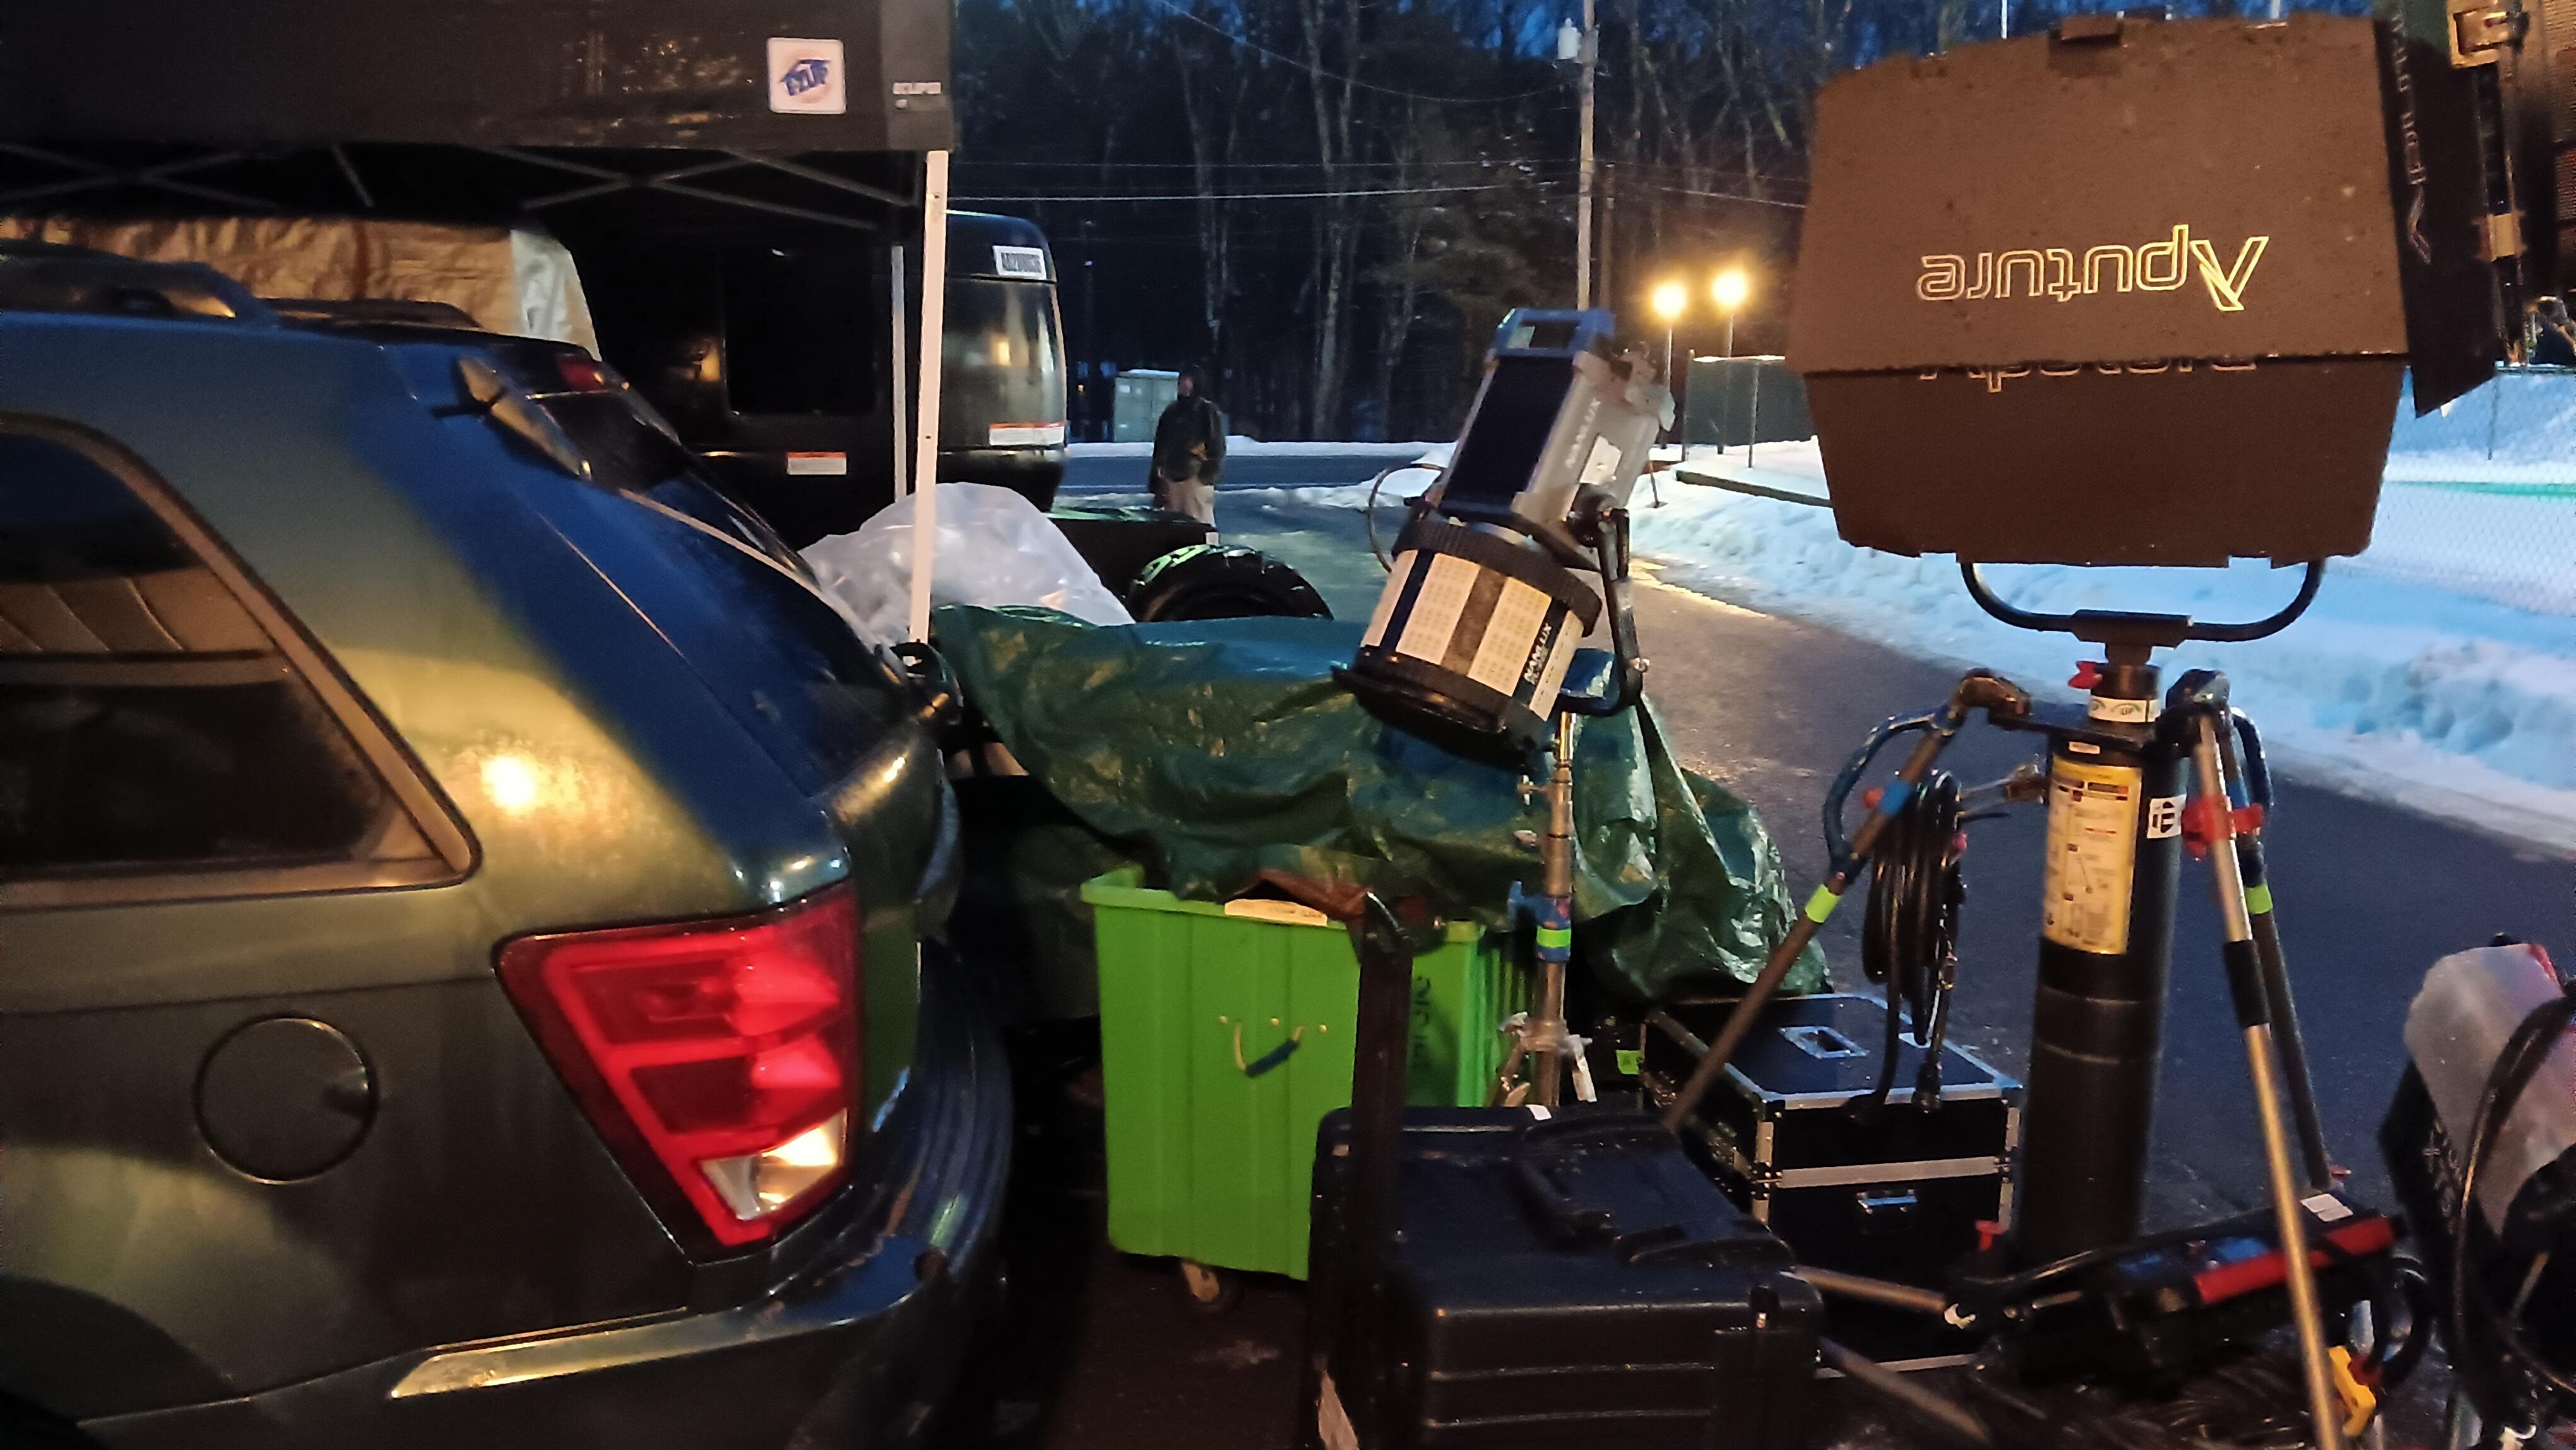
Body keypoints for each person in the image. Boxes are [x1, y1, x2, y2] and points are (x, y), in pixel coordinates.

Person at [1147, 367, 1226, 525]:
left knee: (1200, 525)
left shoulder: (1207, 411)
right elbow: (1160, 447)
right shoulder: (1171, 412)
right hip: (1171, 481)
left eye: (1188, 380)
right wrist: (1156, 480)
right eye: (1182, 380)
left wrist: (1206, 476)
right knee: (1174, 527)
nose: (1183, 384)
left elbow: (1217, 446)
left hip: (1196, 479)